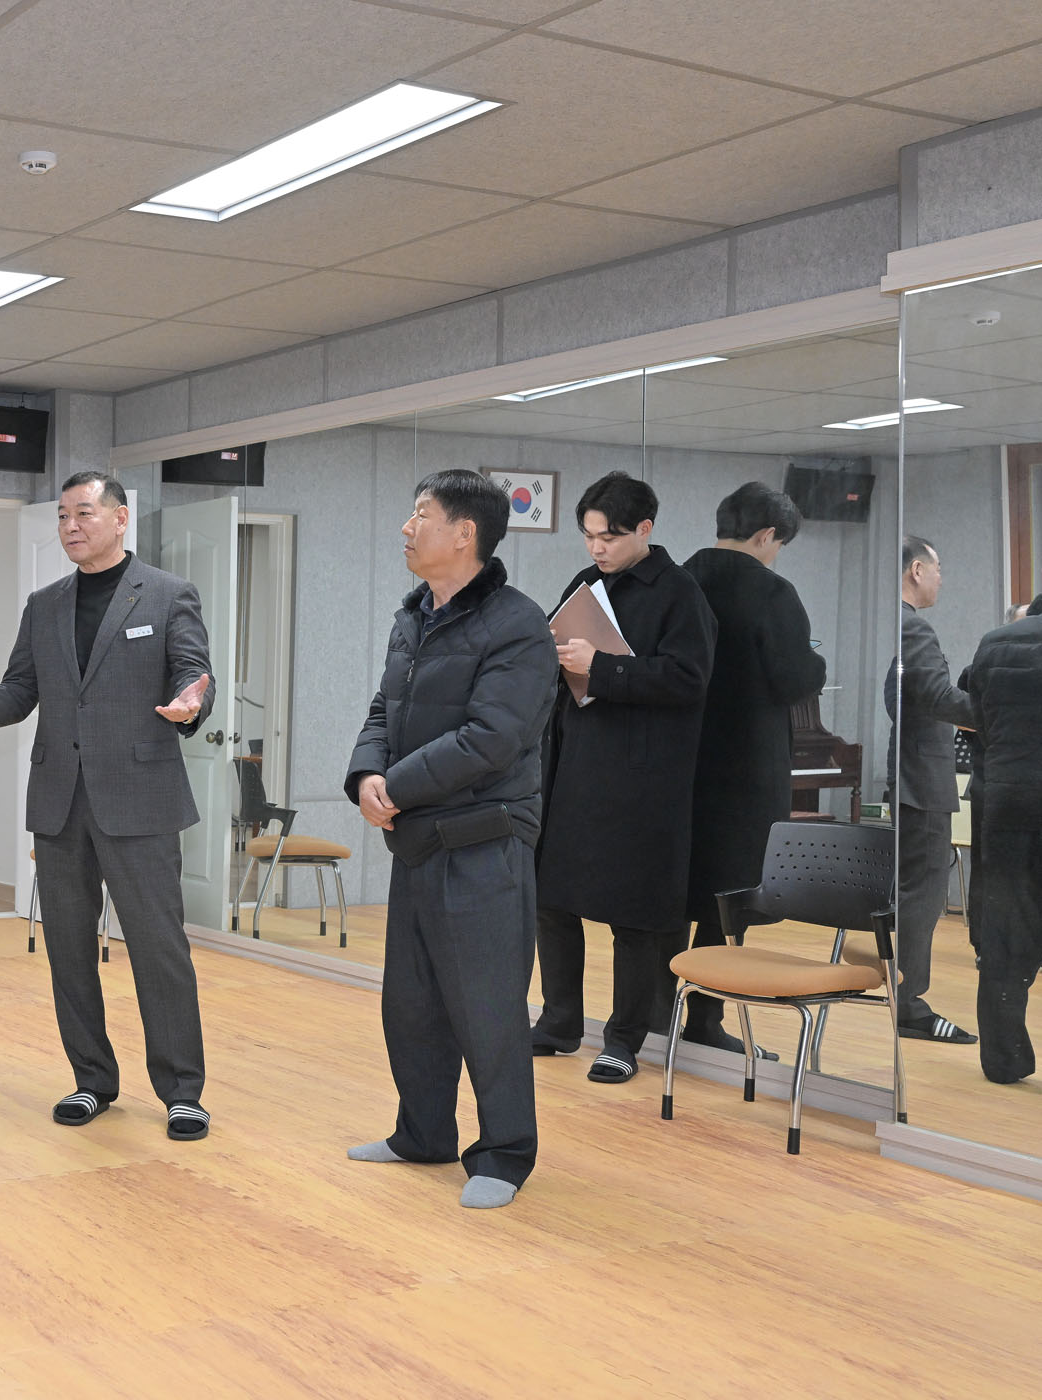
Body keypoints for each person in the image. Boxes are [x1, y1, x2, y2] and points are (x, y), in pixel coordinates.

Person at [0, 471, 216, 1140]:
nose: (70, 525)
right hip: (61, 801)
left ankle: (182, 1091)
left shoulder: (168, 593)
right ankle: (92, 1080)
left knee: (159, 950)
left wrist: (191, 701)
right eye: (64, 515)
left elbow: (191, 670)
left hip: (141, 800)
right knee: (68, 948)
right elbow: (19, 691)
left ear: (120, 519)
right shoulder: (45, 604)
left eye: (84, 513)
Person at [343, 470, 558, 1210]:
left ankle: (504, 1154)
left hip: (483, 843)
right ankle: (423, 1134)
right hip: (419, 840)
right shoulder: (413, 616)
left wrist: (396, 787)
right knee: (412, 1006)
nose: (407, 528)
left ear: (465, 533)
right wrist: (366, 774)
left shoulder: (518, 624)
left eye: (421, 515)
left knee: (487, 1007)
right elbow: (384, 709)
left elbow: (493, 737)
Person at [532, 471, 716, 1084]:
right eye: (588, 536)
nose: (597, 548)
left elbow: (688, 680)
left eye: (608, 537)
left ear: (644, 529)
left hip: (643, 779)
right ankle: (559, 1021)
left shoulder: (680, 593)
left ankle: (624, 1039)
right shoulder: (585, 584)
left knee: (633, 915)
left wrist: (604, 667)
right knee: (553, 900)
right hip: (577, 766)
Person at [670, 483, 826, 1052]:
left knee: (670, 891)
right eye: (778, 544)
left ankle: (651, 1014)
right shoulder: (772, 591)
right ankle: (704, 1020)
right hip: (743, 768)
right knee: (726, 897)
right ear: (766, 535)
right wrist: (816, 661)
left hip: (678, 760)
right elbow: (793, 678)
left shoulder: (677, 580)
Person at [884, 536, 979, 1044]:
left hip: (914, 776)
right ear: (917, 570)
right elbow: (940, 698)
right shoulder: (913, 626)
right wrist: (1001, 711)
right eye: (938, 569)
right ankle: (910, 1005)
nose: (942, 578)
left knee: (917, 893)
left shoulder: (899, 624)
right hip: (921, 781)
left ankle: (905, 996)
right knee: (922, 897)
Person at [965, 592, 1042, 1083]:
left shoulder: (993, 643)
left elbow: (979, 722)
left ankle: (1004, 1059)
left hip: (1007, 799)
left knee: (1005, 931)